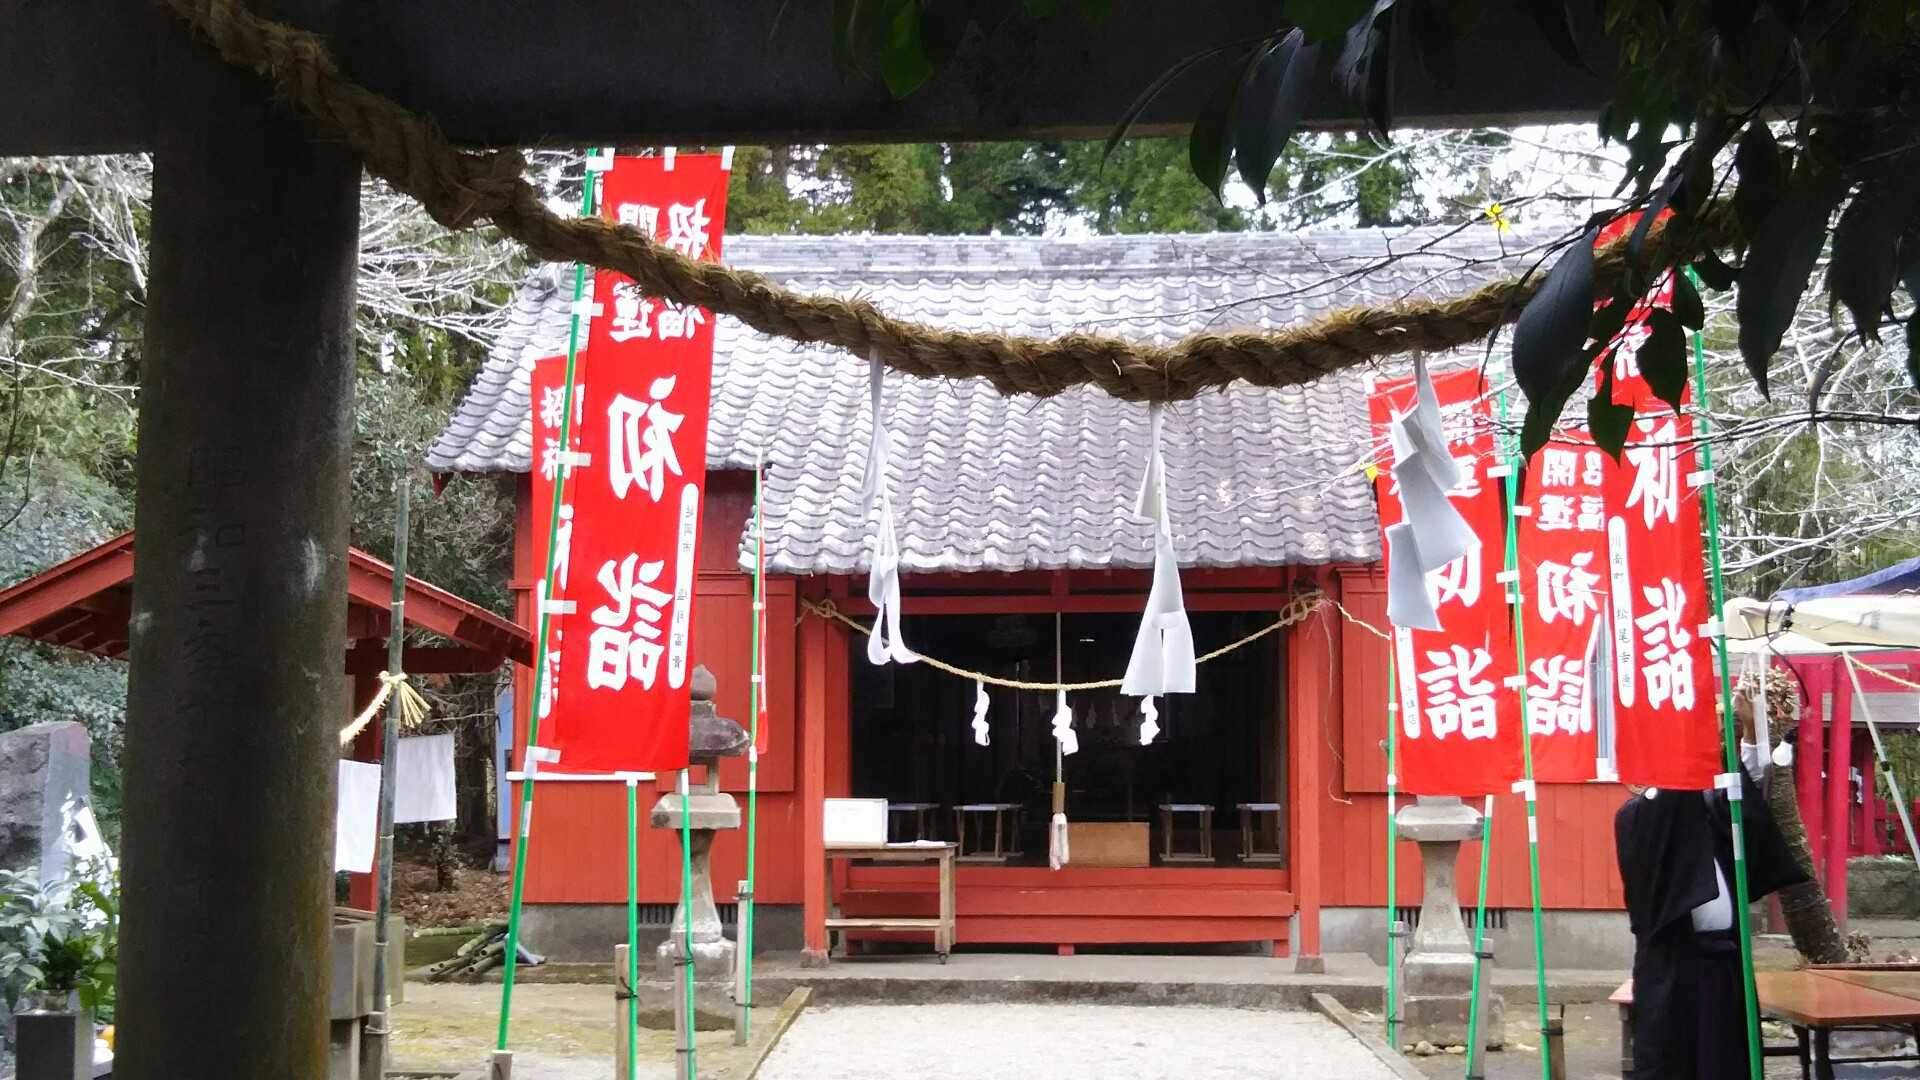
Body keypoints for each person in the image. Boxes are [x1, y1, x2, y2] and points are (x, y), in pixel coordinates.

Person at [1615, 761, 1805, 1079]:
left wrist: (1744, 747)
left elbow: (1740, 807)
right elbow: (1667, 805)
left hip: (1724, 966)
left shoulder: (1707, 821)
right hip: (1674, 970)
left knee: (1727, 1060)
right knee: (1676, 1062)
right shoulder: (1635, 820)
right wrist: (1683, 755)